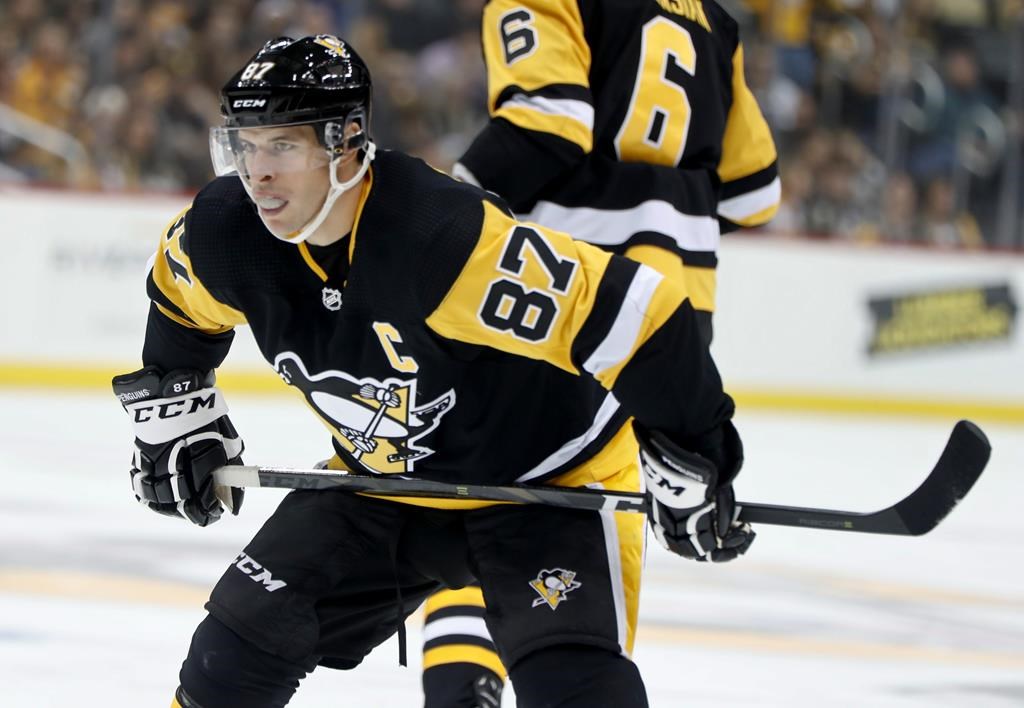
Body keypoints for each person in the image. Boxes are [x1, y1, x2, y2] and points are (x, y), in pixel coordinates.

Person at [111, 34, 754, 708]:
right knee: (227, 658)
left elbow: (643, 315)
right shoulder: (225, 234)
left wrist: (698, 455)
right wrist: (181, 415)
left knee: (575, 687)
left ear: (347, 140)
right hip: (386, 483)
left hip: (550, 481)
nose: (257, 173)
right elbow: (178, 303)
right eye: (244, 146)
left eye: (282, 146)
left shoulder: (441, 239)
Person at [423, 1, 780, 704]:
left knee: (482, 492)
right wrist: (664, 205)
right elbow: (755, 193)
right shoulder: (715, 20)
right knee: (600, 506)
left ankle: (465, 685)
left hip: (553, 301)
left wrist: (438, 213)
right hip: (673, 315)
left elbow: (548, 122)